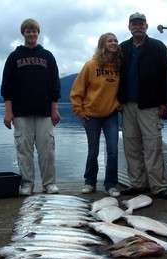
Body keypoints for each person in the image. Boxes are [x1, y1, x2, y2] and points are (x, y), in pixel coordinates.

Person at [1, 18, 61, 196]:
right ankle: (27, 184)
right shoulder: (14, 57)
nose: (31, 34)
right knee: (24, 151)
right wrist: (8, 112)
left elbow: (54, 85)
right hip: (21, 113)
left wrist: (54, 109)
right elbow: (7, 87)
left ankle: (49, 183)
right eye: (28, 31)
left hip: (44, 113)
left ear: (38, 33)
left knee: (47, 151)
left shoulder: (47, 56)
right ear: (23, 33)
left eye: (34, 31)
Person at [118, 12, 167, 200]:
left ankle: (158, 186)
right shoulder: (123, 48)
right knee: (131, 146)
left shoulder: (158, 47)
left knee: (153, 146)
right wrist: (117, 99)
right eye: (134, 24)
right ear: (129, 27)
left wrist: (165, 102)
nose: (137, 26)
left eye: (141, 23)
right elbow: (115, 76)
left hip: (149, 106)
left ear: (146, 26)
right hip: (127, 105)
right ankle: (137, 184)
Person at [70, 33, 123, 197]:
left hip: (111, 115)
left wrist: (120, 102)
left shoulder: (118, 66)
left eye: (115, 40)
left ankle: (110, 185)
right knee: (93, 151)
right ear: (103, 44)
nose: (113, 43)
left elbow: (120, 89)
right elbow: (77, 90)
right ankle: (89, 182)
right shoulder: (90, 65)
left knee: (113, 150)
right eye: (110, 41)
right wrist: (79, 111)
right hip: (91, 115)